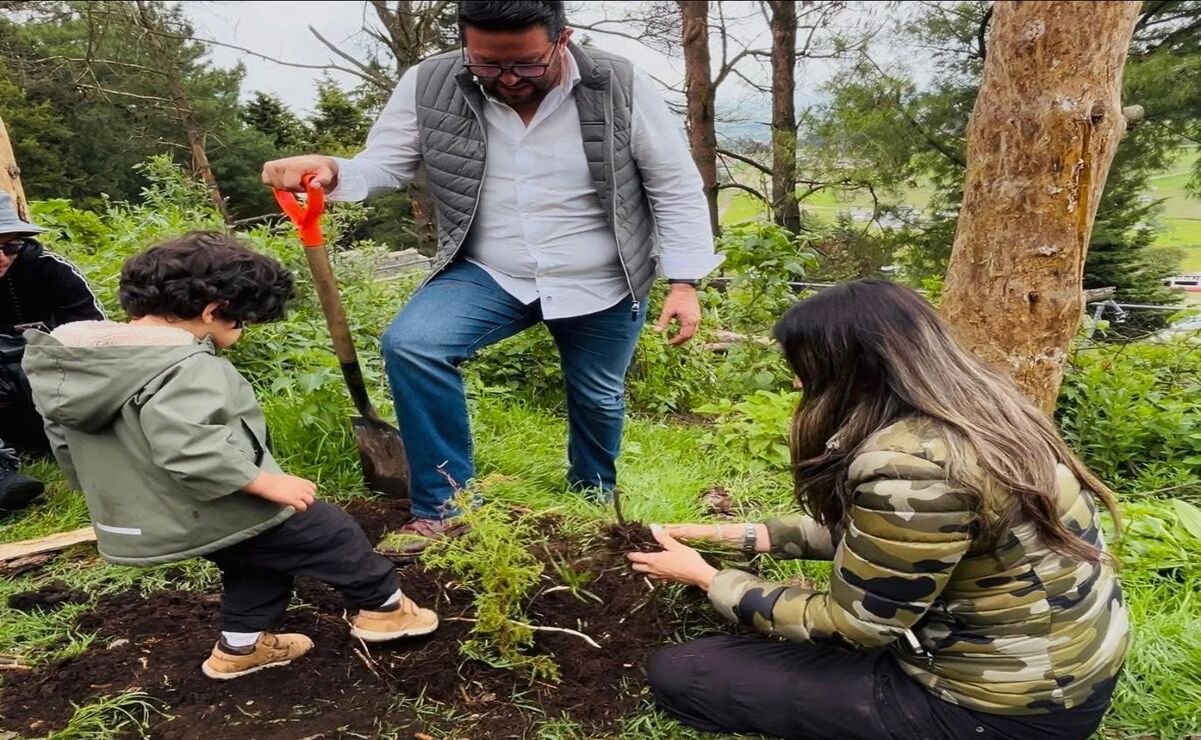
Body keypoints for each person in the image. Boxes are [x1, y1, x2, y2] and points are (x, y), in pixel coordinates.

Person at [261, 0, 721, 552]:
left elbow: (672, 185)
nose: (507, 79)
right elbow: (385, 163)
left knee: (597, 396)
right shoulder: (429, 82)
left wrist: (684, 281)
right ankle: (444, 508)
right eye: (487, 64)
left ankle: (592, 494)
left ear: (563, 39)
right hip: (489, 270)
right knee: (413, 345)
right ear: (465, 45)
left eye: (526, 64)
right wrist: (333, 171)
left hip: (603, 275)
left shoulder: (619, 83)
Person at [627, 280, 1129, 740]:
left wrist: (710, 580)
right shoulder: (987, 417)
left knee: (686, 670)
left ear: (851, 367)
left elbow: (857, 626)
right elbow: (898, 541)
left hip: (994, 712)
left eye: (804, 368)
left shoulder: (912, 468)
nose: (799, 385)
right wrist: (745, 536)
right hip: (1057, 675)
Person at [23, 232, 440, 680]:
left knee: (255, 563)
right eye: (240, 322)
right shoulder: (183, 366)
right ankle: (385, 610)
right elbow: (190, 448)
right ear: (212, 311)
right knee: (332, 534)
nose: (239, 333)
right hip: (220, 501)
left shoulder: (81, 367)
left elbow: (65, 446)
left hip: (173, 512)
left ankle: (239, 649)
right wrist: (266, 483)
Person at [0, 190, 104, 512]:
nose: (1, 257)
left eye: (10, 246)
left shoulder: (53, 271)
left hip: (52, 389)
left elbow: (96, 341)